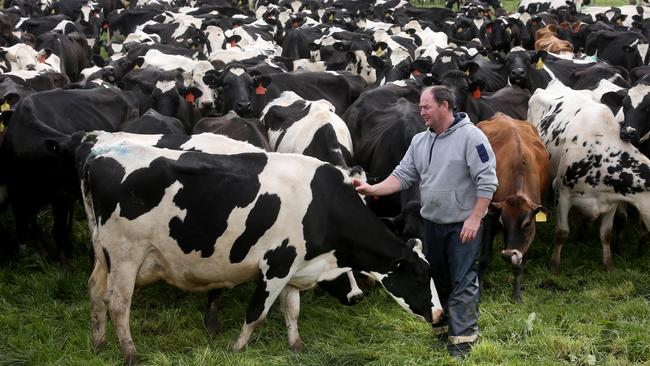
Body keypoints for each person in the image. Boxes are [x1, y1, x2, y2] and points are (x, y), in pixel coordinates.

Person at [352, 85, 498, 359]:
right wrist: (372, 189)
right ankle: (443, 330)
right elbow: (403, 175)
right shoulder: (420, 141)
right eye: (420, 107)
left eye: (426, 107)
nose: (421, 112)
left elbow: (488, 181)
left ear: (445, 105)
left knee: (463, 279)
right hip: (432, 223)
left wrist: (475, 218)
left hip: (462, 225)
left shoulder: (472, 137)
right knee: (440, 278)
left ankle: (463, 342)